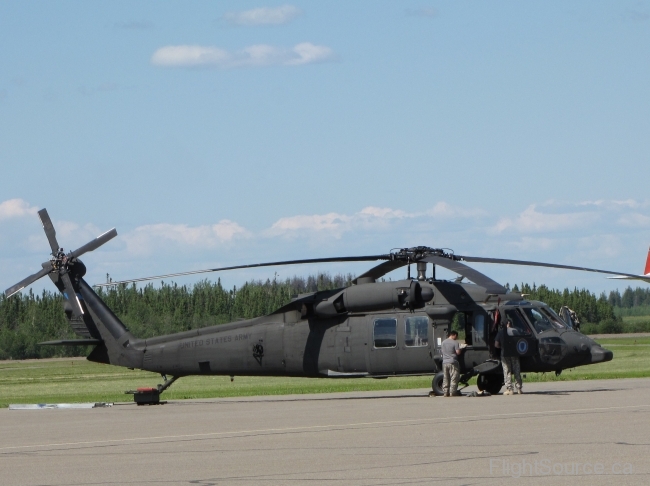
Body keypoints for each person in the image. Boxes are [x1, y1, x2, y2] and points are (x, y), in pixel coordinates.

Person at [495, 319, 523, 395]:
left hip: (505, 353)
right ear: (510, 324)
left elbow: (496, 345)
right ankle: (519, 388)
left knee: (507, 370)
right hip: (514, 352)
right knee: (516, 369)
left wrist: (502, 347)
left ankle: (509, 389)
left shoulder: (501, 332)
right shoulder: (515, 331)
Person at [441, 330, 466, 397]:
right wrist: (461, 348)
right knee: (454, 377)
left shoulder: (443, 342)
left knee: (446, 377)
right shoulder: (455, 343)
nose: (456, 338)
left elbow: (442, 351)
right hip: (452, 362)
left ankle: (445, 392)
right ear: (454, 335)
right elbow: (458, 352)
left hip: (445, 362)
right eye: (456, 336)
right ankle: (452, 392)